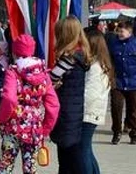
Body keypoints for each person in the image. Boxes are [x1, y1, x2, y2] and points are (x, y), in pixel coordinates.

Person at [0, 34, 59, 174]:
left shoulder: (13, 72)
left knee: (5, 167)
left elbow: (10, 99)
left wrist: (1, 118)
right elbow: (54, 105)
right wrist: (45, 129)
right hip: (34, 128)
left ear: (14, 52)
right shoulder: (43, 73)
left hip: (12, 126)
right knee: (30, 168)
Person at [50, 16, 91, 174]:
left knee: (68, 158)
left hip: (66, 111)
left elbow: (50, 79)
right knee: (72, 156)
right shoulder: (82, 55)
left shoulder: (69, 59)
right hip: (75, 110)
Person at [108, 20, 136, 145]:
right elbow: (109, 61)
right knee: (116, 108)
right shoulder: (114, 44)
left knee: (132, 109)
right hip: (118, 82)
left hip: (134, 82)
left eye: (122, 31)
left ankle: (134, 133)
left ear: (129, 32)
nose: (119, 34)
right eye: (118, 31)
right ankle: (117, 132)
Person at [82, 30, 114, 174]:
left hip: (88, 113)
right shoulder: (97, 63)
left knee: (82, 150)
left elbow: (89, 94)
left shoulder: (96, 67)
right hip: (91, 112)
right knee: (86, 149)